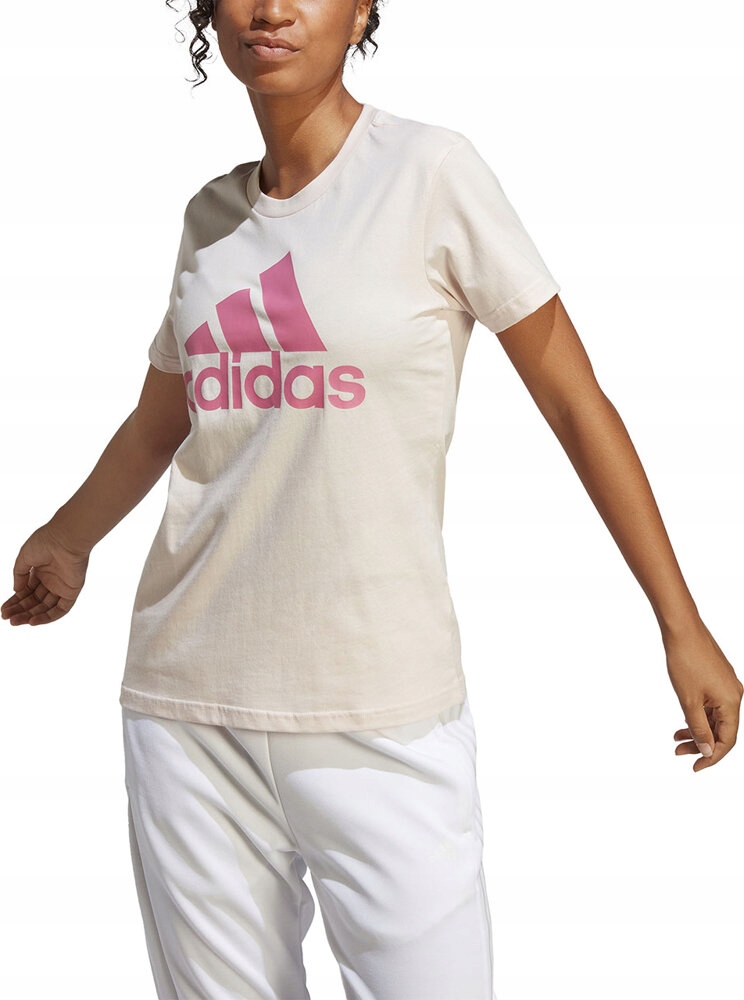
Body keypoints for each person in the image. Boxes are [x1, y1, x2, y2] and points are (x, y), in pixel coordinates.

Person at [2, 1, 742, 998]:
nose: (271, 9)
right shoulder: (210, 218)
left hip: (381, 707)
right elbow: (161, 421)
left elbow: (573, 401)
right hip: (188, 704)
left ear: (360, 14)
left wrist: (680, 623)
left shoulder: (431, 173)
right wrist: (68, 537)